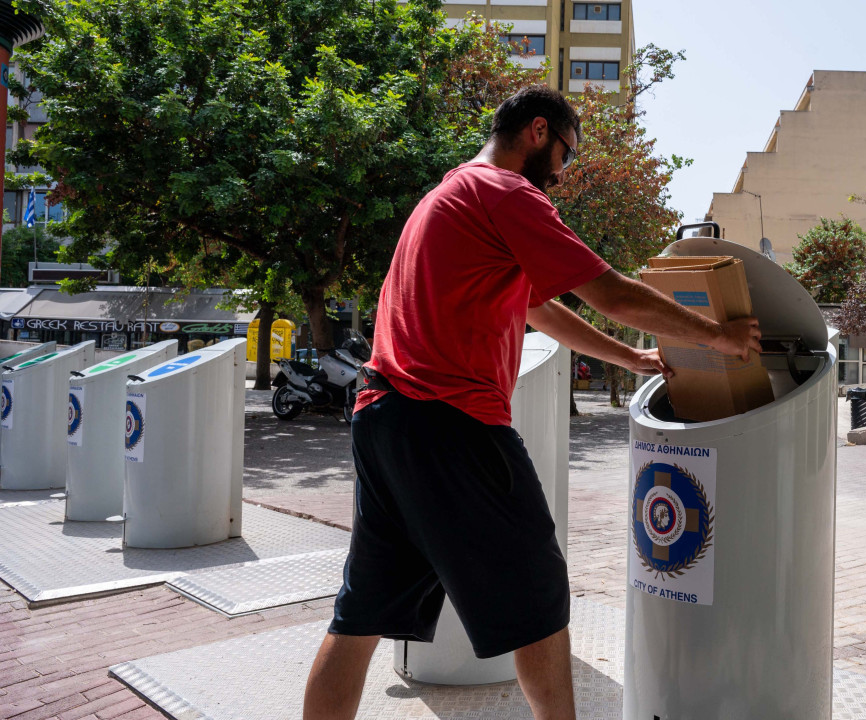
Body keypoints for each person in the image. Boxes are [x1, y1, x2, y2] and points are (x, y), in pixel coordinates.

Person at [301, 86, 761, 720]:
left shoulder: (451, 195)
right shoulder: (505, 192)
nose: (563, 175)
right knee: (538, 596)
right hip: (450, 424)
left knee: (362, 613)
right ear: (539, 132)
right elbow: (613, 293)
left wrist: (631, 359)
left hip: (385, 418)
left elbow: (541, 310)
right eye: (566, 155)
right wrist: (719, 336)